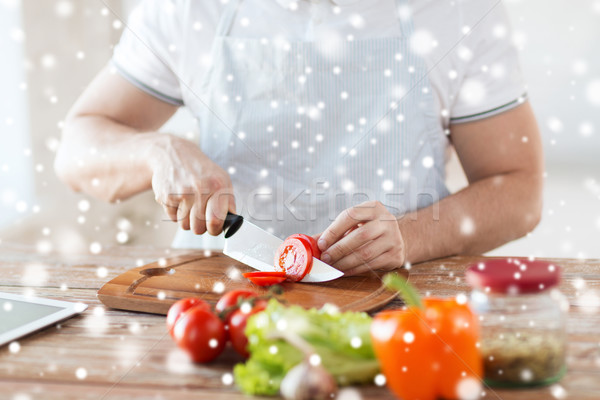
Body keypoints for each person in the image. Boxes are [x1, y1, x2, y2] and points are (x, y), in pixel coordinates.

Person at [55, 0, 543, 276]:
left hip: (400, 298)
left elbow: (519, 191)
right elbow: (76, 148)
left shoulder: (458, 11)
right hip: (222, 301)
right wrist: (158, 150)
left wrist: (410, 237)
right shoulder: (187, 9)